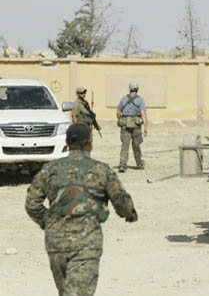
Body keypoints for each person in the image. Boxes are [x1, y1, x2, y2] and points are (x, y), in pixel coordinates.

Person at [25, 123, 137, 296]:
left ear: (67, 142)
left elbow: (32, 204)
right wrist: (129, 214)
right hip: (86, 243)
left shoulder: (49, 170)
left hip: (56, 244)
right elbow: (120, 200)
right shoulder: (101, 170)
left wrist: (48, 221)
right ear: (89, 143)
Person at [116, 82, 148, 173]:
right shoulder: (140, 100)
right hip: (136, 126)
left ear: (129, 89)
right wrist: (146, 127)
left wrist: (121, 120)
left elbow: (118, 112)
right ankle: (139, 163)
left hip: (125, 125)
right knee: (136, 145)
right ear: (137, 90)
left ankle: (122, 164)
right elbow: (143, 114)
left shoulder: (123, 99)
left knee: (125, 145)